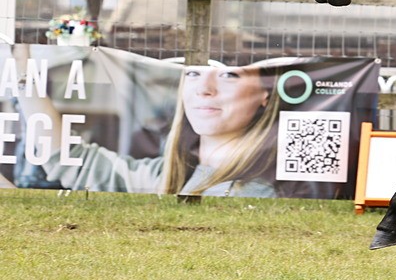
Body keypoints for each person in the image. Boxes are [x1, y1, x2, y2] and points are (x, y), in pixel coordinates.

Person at [12, 44, 282, 197]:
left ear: (265, 95)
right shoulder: (163, 176)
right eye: (192, 74)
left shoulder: (257, 194)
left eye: (228, 75)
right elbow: (69, 160)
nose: (204, 89)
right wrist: (24, 73)